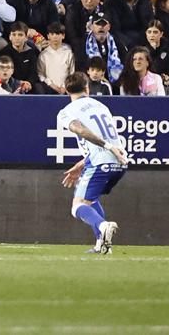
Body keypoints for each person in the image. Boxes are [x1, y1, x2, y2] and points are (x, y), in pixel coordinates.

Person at [56, 71, 128, 254]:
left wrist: (107, 146)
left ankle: (103, 226)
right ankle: (102, 244)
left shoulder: (67, 112)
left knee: (78, 206)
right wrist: (81, 165)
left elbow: (80, 130)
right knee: (90, 198)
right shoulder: (101, 106)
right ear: (87, 87)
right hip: (120, 162)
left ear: (66, 90)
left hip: (102, 162)